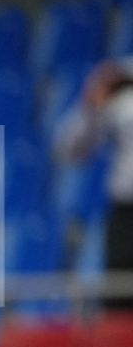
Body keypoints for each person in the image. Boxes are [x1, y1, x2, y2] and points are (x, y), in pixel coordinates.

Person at [55, 58, 133, 308]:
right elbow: (70, 148)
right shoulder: (119, 80)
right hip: (127, 211)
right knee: (119, 294)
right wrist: (91, 104)